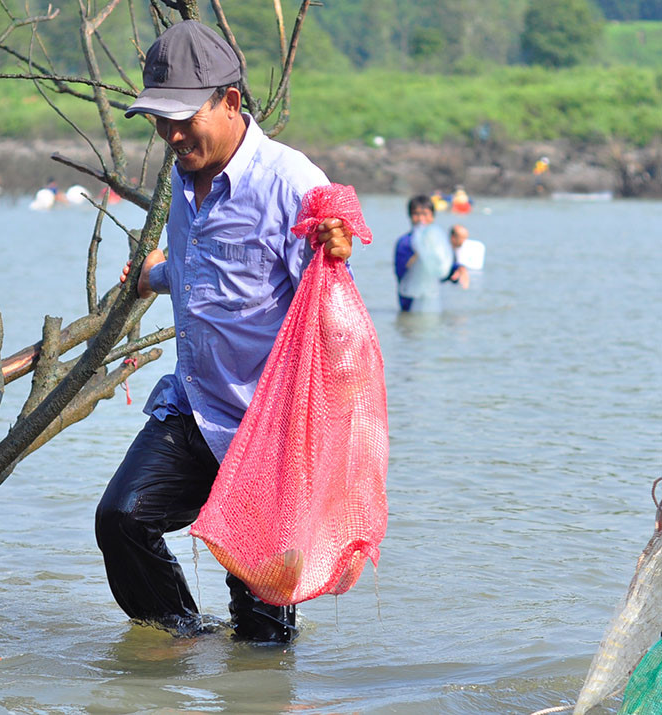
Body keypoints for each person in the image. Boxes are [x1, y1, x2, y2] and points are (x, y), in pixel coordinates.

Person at [95, 20, 354, 643]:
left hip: (267, 433)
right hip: (195, 406)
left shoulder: (292, 184)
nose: (171, 135)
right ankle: (183, 640)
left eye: (184, 119)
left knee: (263, 636)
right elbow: (205, 269)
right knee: (122, 519)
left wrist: (338, 248)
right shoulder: (184, 178)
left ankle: (250, 675)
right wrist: (153, 276)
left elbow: (331, 303)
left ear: (231, 101)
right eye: (160, 120)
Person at [394, 195, 454, 311]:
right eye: (416, 214)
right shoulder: (404, 242)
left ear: (433, 216)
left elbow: (444, 269)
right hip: (410, 298)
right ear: (410, 216)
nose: (421, 218)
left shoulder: (437, 240)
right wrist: (419, 252)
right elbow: (401, 272)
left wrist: (459, 269)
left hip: (432, 295)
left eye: (425, 214)